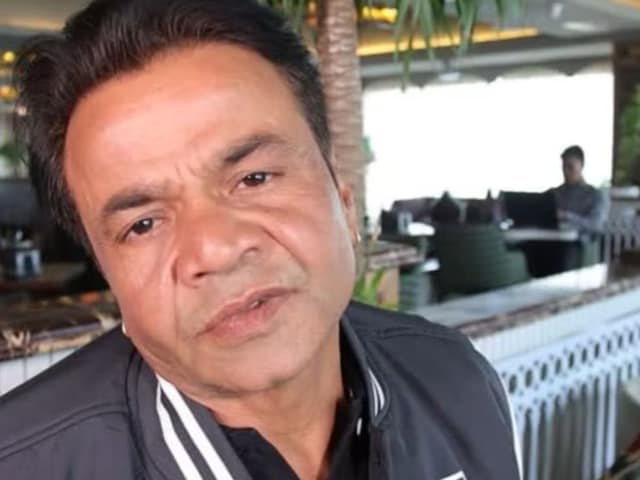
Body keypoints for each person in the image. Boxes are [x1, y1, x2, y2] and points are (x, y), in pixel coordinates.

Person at [0, 1, 522, 478]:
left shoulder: (454, 380)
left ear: (343, 200)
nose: (216, 250)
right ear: (108, 273)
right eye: (143, 225)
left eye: (254, 178)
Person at [552, 145, 607, 234]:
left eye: (570, 167)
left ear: (582, 165)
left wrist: (567, 216)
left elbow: (596, 225)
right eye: (564, 167)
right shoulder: (555, 194)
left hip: (581, 240)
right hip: (552, 238)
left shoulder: (595, 195)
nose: (566, 172)